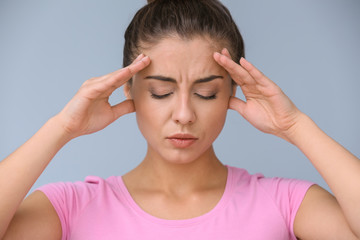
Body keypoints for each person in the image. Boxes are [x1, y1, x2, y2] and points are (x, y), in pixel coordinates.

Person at [1, 0, 359, 239]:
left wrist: (296, 126)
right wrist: (60, 129)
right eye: (160, 91)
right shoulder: (71, 207)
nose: (184, 115)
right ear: (129, 89)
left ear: (234, 91)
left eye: (207, 93)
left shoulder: (285, 203)